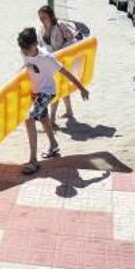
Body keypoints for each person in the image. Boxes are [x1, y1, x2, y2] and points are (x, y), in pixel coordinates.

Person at [17, 27, 89, 175]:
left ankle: (33, 161)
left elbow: (65, 72)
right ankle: (54, 145)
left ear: (35, 44)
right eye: (22, 49)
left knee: (29, 119)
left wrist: (81, 88)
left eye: (26, 49)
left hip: (47, 92)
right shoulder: (24, 51)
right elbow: (27, 65)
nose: (24, 52)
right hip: (36, 92)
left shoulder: (47, 58)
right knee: (43, 118)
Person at [37, 5, 76, 127]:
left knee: (56, 89)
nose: (42, 20)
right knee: (62, 86)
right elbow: (40, 46)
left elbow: (72, 41)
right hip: (49, 63)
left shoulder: (60, 26)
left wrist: (61, 53)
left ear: (51, 16)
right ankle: (69, 111)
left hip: (62, 61)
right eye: (40, 18)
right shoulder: (41, 29)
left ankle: (52, 119)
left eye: (44, 17)